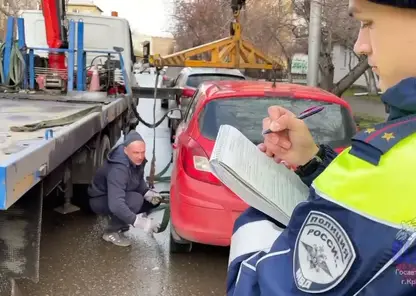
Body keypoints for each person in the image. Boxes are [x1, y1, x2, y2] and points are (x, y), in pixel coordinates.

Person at [227, 0, 416, 295]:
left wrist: (260, 210)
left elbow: (258, 288)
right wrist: (311, 161)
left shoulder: (391, 167)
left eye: (368, 23)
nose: (360, 46)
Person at [88, 130, 164, 247]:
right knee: (135, 200)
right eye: (136, 153)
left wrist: (147, 193)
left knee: (151, 202)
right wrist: (141, 223)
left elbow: (137, 180)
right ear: (125, 151)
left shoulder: (135, 159)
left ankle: (122, 219)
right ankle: (111, 232)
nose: (140, 156)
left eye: (142, 152)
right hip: (99, 199)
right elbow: (116, 204)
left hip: (115, 194)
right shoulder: (118, 169)